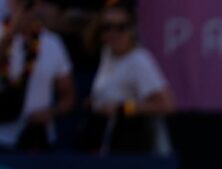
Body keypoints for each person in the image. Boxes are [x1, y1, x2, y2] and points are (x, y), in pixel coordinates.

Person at [78, 0, 174, 154]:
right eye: (107, 28)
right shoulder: (107, 55)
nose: (113, 34)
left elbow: (167, 105)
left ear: (131, 29)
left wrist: (123, 108)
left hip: (133, 146)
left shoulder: (139, 60)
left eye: (121, 27)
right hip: (107, 141)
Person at [0, 0, 74, 151]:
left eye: (27, 3)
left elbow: (69, 97)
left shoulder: (52, 43)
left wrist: (50, 113)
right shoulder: (2, 36)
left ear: (38, 5)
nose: (20, 7)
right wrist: (11, 34)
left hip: (35, 140)